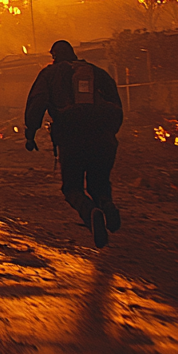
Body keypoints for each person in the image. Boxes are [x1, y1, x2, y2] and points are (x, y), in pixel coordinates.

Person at [24, 40, 125, 249]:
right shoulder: (97, 72)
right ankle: (107, 205)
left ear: (54, 56)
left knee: (72, 187)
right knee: (99, 184)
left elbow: (37, 102)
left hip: (71, 138)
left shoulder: (50, 74)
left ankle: (91, 214)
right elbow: (116, 105)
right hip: (104, 138)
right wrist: (109, 133)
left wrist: (31, 133)